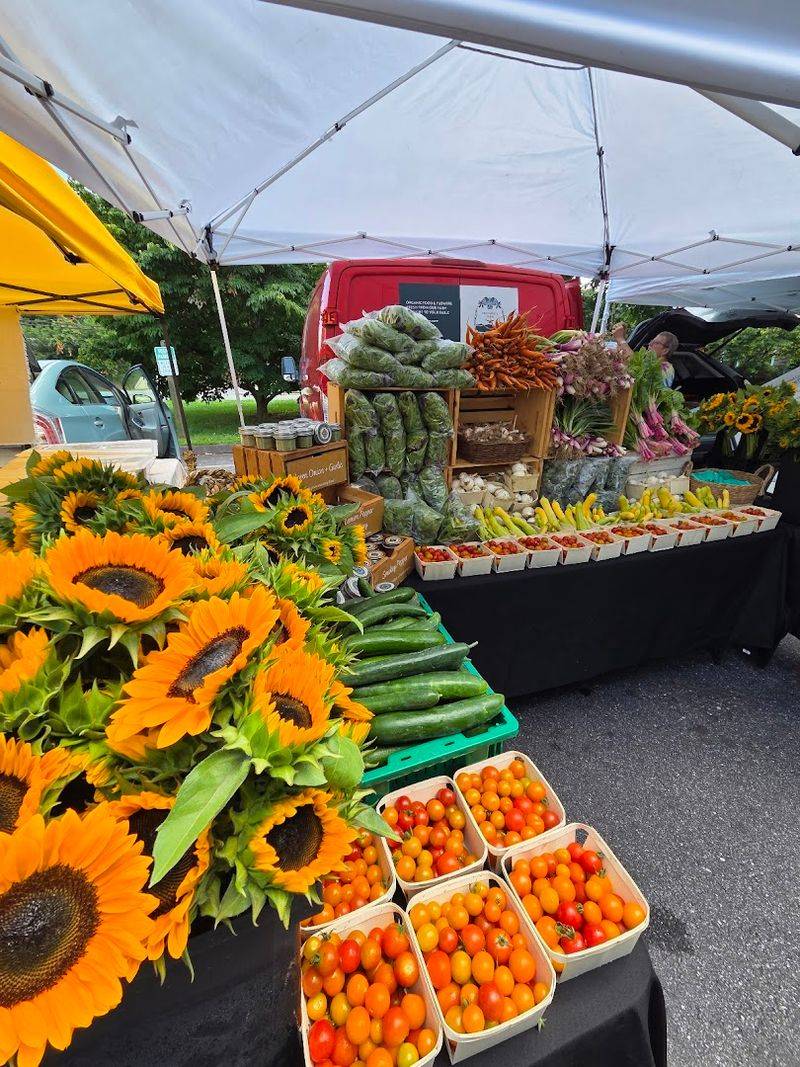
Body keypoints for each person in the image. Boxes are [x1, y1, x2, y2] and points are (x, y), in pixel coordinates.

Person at [612, 323, 679, 386]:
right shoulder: (649, 363)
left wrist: (621, 339)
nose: (650, 344)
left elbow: (636, 367)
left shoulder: (666, 368)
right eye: (652, 341)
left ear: (665, 351)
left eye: (656, 343)